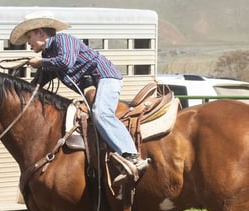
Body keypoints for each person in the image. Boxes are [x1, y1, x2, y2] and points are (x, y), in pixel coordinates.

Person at [9, 11, 149, 183]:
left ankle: (131, 155)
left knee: (101, 113)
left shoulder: (63, 40)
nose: (28, 43)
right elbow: (40, 81)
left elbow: (65, 61)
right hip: (95, 83)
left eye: (29, 37)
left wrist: (41, 63)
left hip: (105, 77)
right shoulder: (48, 54)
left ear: (41, 33)